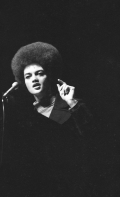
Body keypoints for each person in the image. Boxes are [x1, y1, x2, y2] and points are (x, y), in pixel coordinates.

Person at [1, 42, 94, 196]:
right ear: (23, 82)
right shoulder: (26, 115)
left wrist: (71, 102)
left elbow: (93, 138)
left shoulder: (73, 105)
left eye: (40, 73)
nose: (34, 79)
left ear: (50, 76)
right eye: (28, 76)